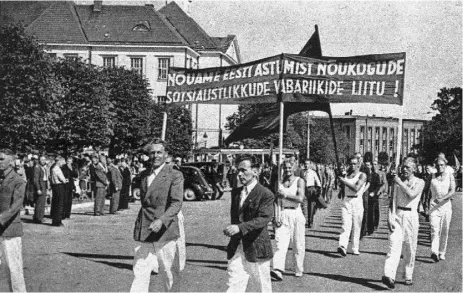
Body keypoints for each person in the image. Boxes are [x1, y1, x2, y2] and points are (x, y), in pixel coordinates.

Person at [131, 138, 184, 292]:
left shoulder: (175, 175)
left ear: (165, 154)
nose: (155, 156)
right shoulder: (143, 175)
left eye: (159, 152)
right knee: (140, 269)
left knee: (168, 272)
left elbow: (176, 203)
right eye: (152, 152)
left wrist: (162, 220)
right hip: (145, 228)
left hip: (165, 229)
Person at [224, 155, 274, 292]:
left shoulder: (265, 194)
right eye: (237, 171)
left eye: (243, 170)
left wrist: (239, 228)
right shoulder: (236, 193)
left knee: (261, 288)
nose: (239, 174)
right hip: (237, 248)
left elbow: (264, 218)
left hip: (257, 247)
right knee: (233, 285)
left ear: (256, 171)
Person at [382, 157, 425, 288]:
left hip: (411, 215)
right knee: (393, 245)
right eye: (403, 167)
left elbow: (411, 194)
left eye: (407, 167)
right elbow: (392, 202)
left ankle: (408, 274)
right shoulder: (397, 183)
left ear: (414, 169)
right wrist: (389, 217)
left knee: (409, 248)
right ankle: (389, 275)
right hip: (398, 215)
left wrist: (399, 182)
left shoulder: (420, 182)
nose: (404, 169)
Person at [270, 160, 305, 281]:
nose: (288, 170)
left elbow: (300, 198)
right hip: (283, 212)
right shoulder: (279, 182)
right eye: (285, 168)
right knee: (280, 243)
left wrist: (285, 195)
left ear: (294, 168)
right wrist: (275, 216)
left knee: (298, 244)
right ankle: (278, 269)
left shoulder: (299, 181)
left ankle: (298, 268)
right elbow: (275, 200)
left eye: (290, 167)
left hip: (296, 213)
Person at [0, 148, 27, 292]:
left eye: (1, 159)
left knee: (13, 268)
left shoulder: (17, 180)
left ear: (10, 162)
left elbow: (16, 206)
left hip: (10, 229)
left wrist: (1, 218)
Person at [337, 156, 367, 256]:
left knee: (356, 226)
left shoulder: (362, 175)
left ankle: (355, 247)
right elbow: (342, 187)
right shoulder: (347, 175)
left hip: (357, 200)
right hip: (346, 201)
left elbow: (356, 188)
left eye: (355, 164)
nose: (352, 166)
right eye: (351, 164)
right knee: (345, 224)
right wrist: (341, 178)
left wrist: (343, 180)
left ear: (359, 164)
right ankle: (343, 246)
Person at [428, 156, 456, 262]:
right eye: (438, 165)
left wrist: (443, 198)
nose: (440, 167)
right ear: (435, 166)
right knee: (434, 229)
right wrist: (423, 204)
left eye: (442, 165)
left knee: (445, 230)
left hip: (446, 206)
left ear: (445, 165)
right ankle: (434, 252)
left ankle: (442, 252)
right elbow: (426, 190)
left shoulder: (450, 176)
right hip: (433, 206)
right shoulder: (432, 176)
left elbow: (452, 190)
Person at [302, 159, 321, 228]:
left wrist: (318, 190)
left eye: (307, 164)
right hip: (303, 189)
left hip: (311, 189)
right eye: (305, 164)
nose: (306, 165)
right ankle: (304, 221)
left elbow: (318, 182)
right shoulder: (302, 172)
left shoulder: (313, 172)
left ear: (310, 165)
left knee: (311, 206)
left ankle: (310, 221)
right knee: (303, 206)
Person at [50, 156, 68, 227]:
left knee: (55, 204)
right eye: (62, 162)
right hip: (59, 187)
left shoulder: (53, 168)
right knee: (59, 204)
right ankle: (58, 221)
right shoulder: (57, 169)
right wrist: (65, 180)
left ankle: (54, 220)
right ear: (59, 161)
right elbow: (62, 179)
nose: (63, 164)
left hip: (55, 187)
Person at [366, 160, 383, 235]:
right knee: (366, 212)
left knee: (373, 211)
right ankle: (366, 227)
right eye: (366, 165)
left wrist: (374, 192)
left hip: (373, 195)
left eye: (369, 165)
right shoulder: (363, 175)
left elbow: (378, 185)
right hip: (366, 195)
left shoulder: (375, 175)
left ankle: (371, 227)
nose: (367, 166)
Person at [32, 155, 49, 224]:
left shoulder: (44, 167)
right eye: (42, 160)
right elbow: (35, 179)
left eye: (44, 160)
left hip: (44, 185)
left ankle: (40, 217)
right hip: (40, 186)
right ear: (39, 160)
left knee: (42, 202)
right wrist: (38, 189)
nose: (43, 161)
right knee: (39, 203)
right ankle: (38, 218)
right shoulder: (37, 167)